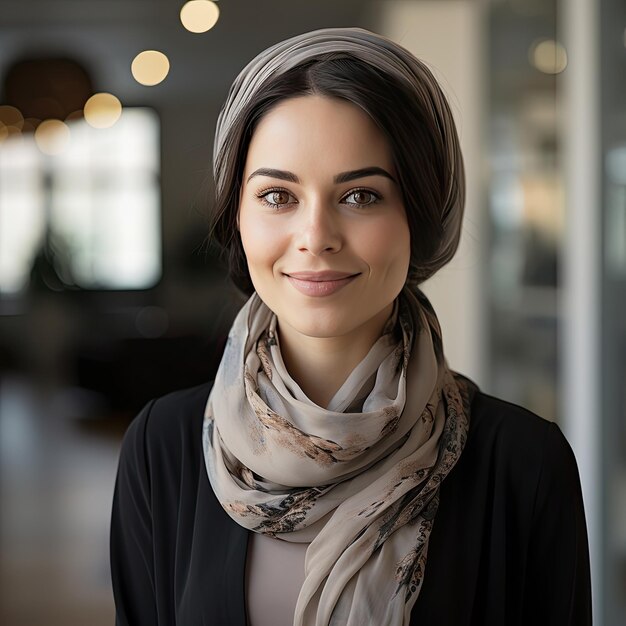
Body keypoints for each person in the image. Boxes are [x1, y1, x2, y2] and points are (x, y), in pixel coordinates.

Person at [110, 27, 592, 626]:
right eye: (278, 196)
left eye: (361, 196)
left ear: (419, 214)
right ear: (238, 215)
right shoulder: (163, 450)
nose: (316, 236)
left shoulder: (522, 464)